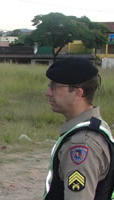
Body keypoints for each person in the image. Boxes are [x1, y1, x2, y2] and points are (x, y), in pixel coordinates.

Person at [43, 57, 114, 199]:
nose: (48, 92)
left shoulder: (82, 144)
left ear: (77, 93)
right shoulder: (97, 124)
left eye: (54, 86)